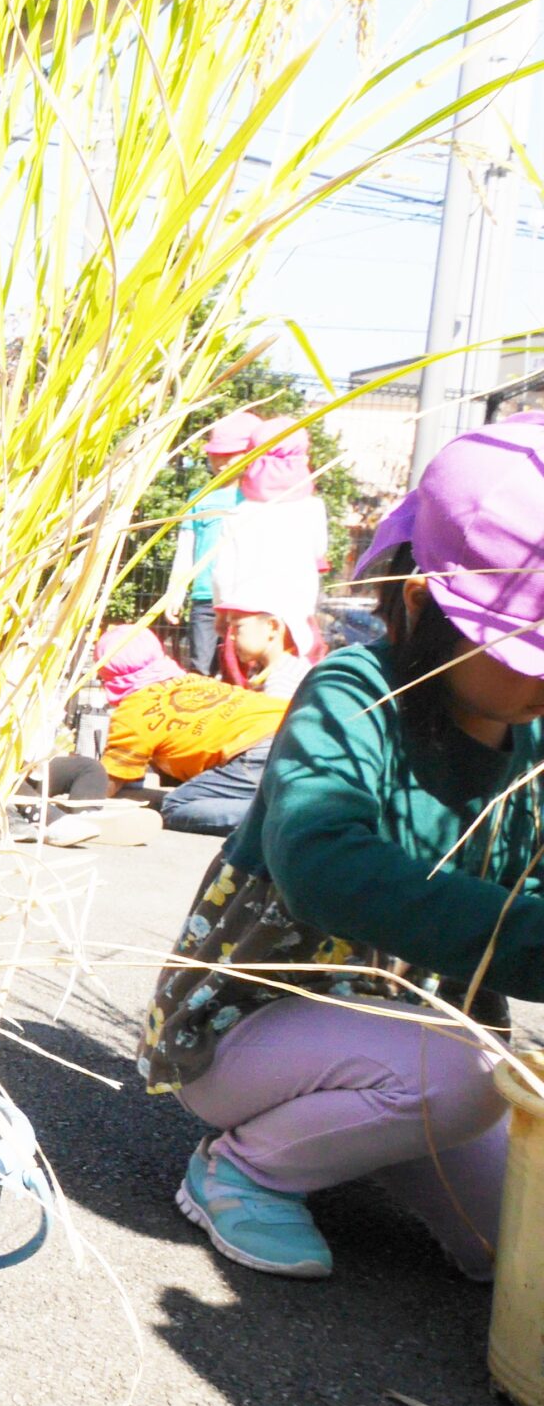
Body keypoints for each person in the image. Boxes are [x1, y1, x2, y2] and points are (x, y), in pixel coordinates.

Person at [141, 411, 544, 1283]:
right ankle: (244, 1166)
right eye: (524, 648)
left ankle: (369, 1135)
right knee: (470, 1077)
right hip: (249, 1034)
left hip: (415, 1042)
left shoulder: (533, 743)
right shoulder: (350, 695)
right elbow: (326, 867)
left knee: (510, 1250)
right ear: (421, 601)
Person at [94, 625, 286, 836]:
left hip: (254, 751)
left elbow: (110, 780)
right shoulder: (192, 680)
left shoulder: (133, 711)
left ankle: (284, 817)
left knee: (176, 807)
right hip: (289, 725)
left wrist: (79, 794)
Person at [208, 422, 328, 682]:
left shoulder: (239, 514)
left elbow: (222, 573)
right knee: (294, 689)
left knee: (240, 694)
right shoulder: (313, 509)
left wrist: (221, 613)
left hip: (246, 619)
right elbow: (319, 551)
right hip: (295, 619)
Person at [168, 409, 256, 673]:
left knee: (238, 673)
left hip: (244, 598)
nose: (222, 462)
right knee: (200, 669)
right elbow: (186, 547)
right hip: (205, 598)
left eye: (230, 454)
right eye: (216, 453)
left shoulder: (258, 498)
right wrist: (176, 591)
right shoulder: (199, 498)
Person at [224, 599, 320, 699]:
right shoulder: (265, 669)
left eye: (237, 626)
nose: (231, 637)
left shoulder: (281, 682)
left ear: (273, 627)